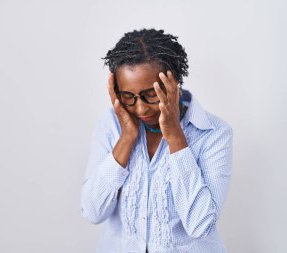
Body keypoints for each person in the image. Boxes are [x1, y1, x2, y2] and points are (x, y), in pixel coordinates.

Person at [80, 28, 233, 253]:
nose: (140, 108)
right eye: (129, 97)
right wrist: (126, 138)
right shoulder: (110, 125)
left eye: (150, 95)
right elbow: (92, 211)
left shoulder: (214, 134)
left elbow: (200, 225)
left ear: (174, 84)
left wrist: (175, 137)